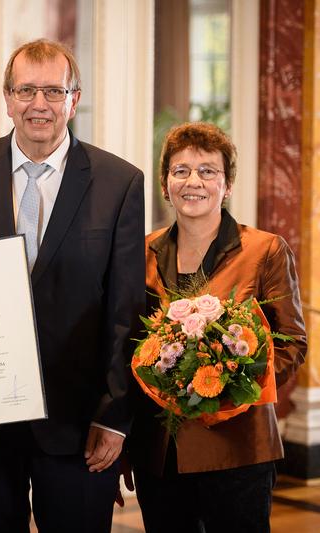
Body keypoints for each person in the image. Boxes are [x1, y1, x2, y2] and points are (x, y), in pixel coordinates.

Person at [0, 39, 145, 533]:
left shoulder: (119, 182)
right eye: (26, 90)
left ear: (74, 99)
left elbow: (127, 310)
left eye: (54, 91)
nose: (39, 105)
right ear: (7, 98)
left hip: (79, 424)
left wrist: (115, 417)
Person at [128, 122, 307, 533]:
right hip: (161, 452)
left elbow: (292, 343)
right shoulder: (141, 253)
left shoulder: (265, 250)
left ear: (226, 186)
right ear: (165, 183)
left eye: (208, 171)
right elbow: (130, 348)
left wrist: (233, 385)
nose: (194, 181)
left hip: (239, 451)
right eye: (181, 170)